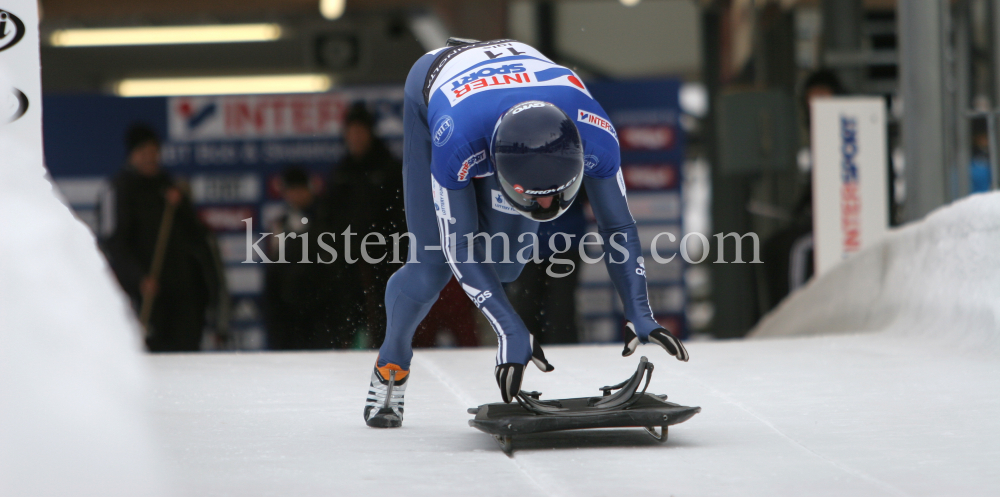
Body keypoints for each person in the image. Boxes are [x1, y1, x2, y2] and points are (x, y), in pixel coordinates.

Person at [363, 39, 689, 428]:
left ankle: (508, 201)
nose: (547, 206)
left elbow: (617, 225)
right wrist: (509, 329)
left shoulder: (595, 132)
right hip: (437, 86)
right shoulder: (458, 142)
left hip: (500, 96)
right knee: (431, 265)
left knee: (505, 266)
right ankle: (392, 363)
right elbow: (459, 246)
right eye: (533, 195)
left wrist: (639, 310)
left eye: (556, 193)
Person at [99, 124, 217, 352]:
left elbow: (197, 236)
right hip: (144, 294)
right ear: (131, 155)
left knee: (187, 353)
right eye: (143, 153)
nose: (150, 158)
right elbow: (113, 243)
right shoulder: (118, 190)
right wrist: (139, 278)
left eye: (154, 152)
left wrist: (181, 205)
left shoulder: (170, 188)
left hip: (182, 296)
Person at [318, 103, 407, 348]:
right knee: (345, 330)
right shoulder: (340, 172)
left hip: (383, 267)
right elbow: (329, 220)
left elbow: (401, 219)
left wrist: (388, 253)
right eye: (351, 132)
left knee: (384, 328)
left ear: (370, 132)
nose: (355, 137)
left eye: (360, 131)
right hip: (347, 268)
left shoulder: (389, 170)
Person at [264, 166, 325, 350]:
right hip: (287, 312)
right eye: (291, 190)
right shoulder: (279, 225)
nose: (295, 195)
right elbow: (273, 268)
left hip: (320, 310)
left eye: (300, 189)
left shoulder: (325, 220)